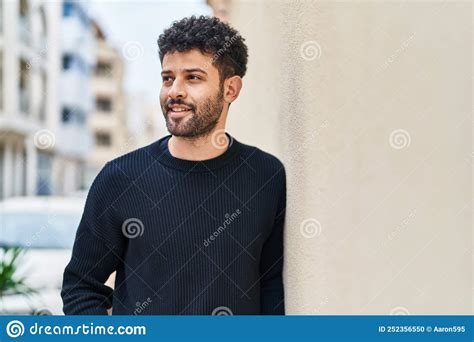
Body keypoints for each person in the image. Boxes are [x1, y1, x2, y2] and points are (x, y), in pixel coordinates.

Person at [61, 15, 286, 315]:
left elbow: (270, 287)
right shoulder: (120, 179)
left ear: (231, 89)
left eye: (192, 77)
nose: (174, 91)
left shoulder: (266, 176)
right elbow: (81, 288)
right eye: (168, 78)